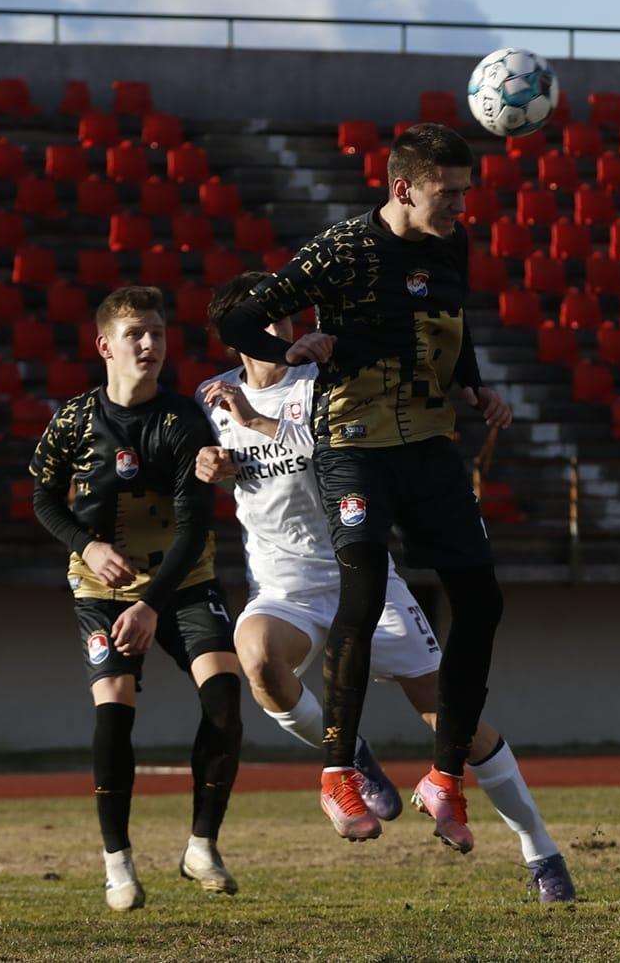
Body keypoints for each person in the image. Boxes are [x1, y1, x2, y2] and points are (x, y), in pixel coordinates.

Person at [197, 275, 574, 901]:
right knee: (259, 660)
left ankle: (541, 850)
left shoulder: (322, 384)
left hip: (364, 575)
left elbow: (345, 450)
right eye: (264, 322)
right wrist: (207, 465)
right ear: (235, 334)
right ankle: (352, 756)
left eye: (285, 317)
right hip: (283, 587)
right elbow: (200, 464)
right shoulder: (213, 398)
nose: (280, 329)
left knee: (457, 724)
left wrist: (259, 423)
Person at [216, 124, 514, 847]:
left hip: (427, 437)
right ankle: (338, 770)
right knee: (364, 586)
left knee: (483, 596)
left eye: (467, 193)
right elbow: (237, 317)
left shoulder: (453, 243)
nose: (461, 207)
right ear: (404, 186)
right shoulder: (342, 249)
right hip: (354, 442)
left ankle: (445, 777)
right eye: (449, 194)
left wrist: (472, 385)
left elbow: (453, 320)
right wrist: (286, 349)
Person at [28, 286, 243, 910]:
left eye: (157, 332)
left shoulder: (183, 422)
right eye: (135, 334)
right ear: (104, 346)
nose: (150, 344)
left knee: (226, 695)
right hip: (101, 587)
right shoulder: (72, 419)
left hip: (182, 581)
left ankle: (201, 845)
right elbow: (43, 497)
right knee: (114, 707)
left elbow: (198, 524)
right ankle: (117, 865)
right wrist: (88, 546)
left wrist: (152, 603)